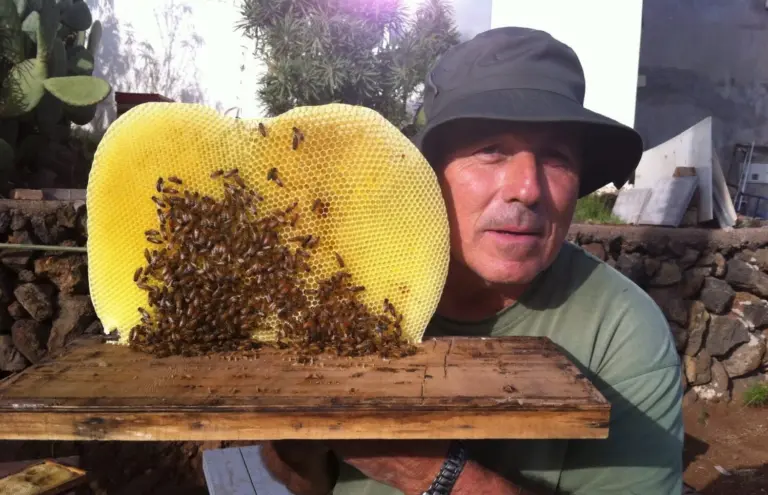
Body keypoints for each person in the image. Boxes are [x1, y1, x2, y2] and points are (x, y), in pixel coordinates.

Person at [260, 26, 684, 495]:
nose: (527, 188)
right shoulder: (348, 292)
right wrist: (295, 448)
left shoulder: (622, 331)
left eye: (556, 157)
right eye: (490, 151)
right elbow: (312, 484)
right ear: (430, 174)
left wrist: (428, 472)